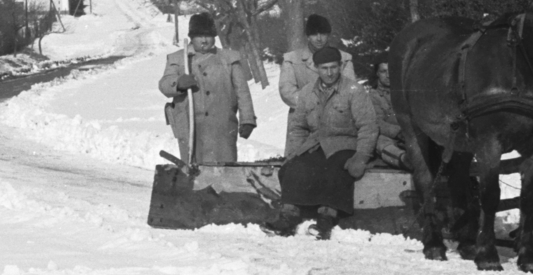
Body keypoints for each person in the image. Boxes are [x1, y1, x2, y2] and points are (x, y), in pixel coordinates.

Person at [262, 45, 377, 239]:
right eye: (324, 68)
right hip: (317, 144)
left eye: (333, 67)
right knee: (294, 168)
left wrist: (361, 156)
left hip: (346, 144)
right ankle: (288, 217)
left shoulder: (353, 90)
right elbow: (298, 127)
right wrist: (294, 153)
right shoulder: (307, 93)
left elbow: (368, 126)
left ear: (340, 66)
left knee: (335, 169)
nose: (330, 73)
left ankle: (325, 220)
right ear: (316, 68)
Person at [157, 12, 256, 165]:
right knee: (194, 170)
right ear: (191, 37)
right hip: (191, 127)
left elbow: (242, 91)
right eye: (199, 36)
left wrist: (248, 119)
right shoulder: (178, 59)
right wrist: (178, 83)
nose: (204, 40)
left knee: (224, 168)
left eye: (208, 36)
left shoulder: (228, 59)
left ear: (214, 37)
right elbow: (164, 84)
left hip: (222, 126)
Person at [280, 14, 357, 157]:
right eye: (314, 34)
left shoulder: (344, 59)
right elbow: (287, 91)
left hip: (336, 121)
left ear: (329, 35)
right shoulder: (291, 59)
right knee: (298, 164)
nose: (319, 38)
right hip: (302, 122)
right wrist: (312, 105)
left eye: (323, 33)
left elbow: (350, 89)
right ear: (308, 36)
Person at [366, 58, 407, 168]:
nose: (388, 75)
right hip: (390, 137)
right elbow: (377, 122)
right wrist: (398, 132)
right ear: (377, 73)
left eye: (391, 71)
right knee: (378, 141)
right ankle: (404, 159)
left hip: (409, 135)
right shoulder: (372, 96)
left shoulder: (405, 93)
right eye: (383, 71)